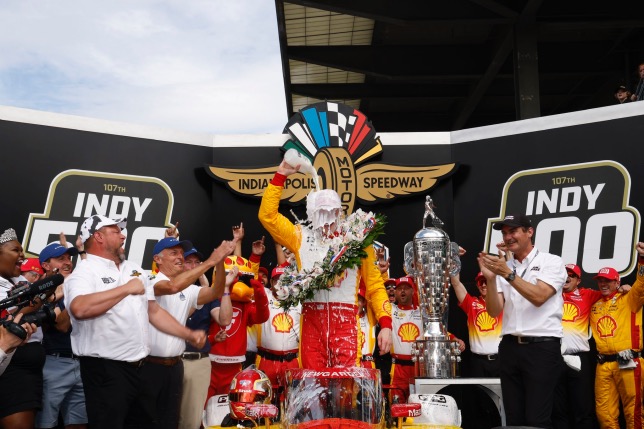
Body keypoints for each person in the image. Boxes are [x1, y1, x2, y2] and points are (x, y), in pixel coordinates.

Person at [63, 215, 207, 429]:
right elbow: (80, 308)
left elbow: (153, 311)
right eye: (115, 231)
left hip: (139, 368)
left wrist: (187, 334)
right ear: (99, 237)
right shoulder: (84, 272)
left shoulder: (133, 268)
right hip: (105, 371)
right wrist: (125, 289)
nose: (123, 235)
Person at [258, 158, 392, 369]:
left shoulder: (356, 242)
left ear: (340, 212)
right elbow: (268, 217)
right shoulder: (301, 237)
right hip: (312, 322)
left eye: (332, 213)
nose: (327, 220)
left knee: (346, 390)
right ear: (313, 214)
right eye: (322, 213)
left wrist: (386, 325)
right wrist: (280, 176)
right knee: (314, 389)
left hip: (346, 321)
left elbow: (375, 286)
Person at [130, 236, 236, 429]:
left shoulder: (189, 290)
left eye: (181, 253)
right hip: (148, 367)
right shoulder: (149, 279)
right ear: (157, 259)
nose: (180, 257)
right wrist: (212, 260)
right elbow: (172, 287)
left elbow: (215, 292)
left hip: (175, 367)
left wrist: (219, 263)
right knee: (145, 422)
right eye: (173, 253)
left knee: (170, 422)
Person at [478, 213, 567, 428]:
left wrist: (507, 274)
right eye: (505, 232)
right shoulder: (503, 268)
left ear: (529, 232)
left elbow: (539, 297)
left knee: (537, 419)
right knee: (513, 418)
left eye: (514, 231)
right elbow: (493, 310)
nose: (508, 237)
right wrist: (491, 280)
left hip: (542, 347)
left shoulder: (551, 261)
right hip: (509, 347)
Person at [178, 245, 233, 429]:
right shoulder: (169, 288)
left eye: (197, 262)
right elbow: (176, 317)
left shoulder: (205, 293)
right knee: (165, 414)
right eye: (188, 262)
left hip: (197, 362)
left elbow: (224, 319)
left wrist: (224, 288)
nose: (193, 266)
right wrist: (201, 295)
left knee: (192, 419)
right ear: (179, 264)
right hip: (170, 361)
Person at [590, 247, 644, 429]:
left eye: (608, 281)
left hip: (628, 361)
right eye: (600, 281)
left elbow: (641, 284)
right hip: (603, 365)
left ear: (616, 282)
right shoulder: (594, 304)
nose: (603, 284)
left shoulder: (629, 298)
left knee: (634, 411)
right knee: (604, 414)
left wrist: (642, 260)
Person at [35, 242, 88, 429]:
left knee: (79, 423)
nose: (67, 263)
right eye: (60, 259)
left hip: (82, 362)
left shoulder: (75, 288)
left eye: (69, 258)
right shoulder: (38, 293)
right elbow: (63, 325)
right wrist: (62, 293)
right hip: (53, 364)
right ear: (46, 265)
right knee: (45, 423)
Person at [0, 228, 47, 429]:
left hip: (19, 376)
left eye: (22, 250)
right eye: (15, 250)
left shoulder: (20, 282)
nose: (22, 256)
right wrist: (29, 304)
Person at [207, 253, 269, 398]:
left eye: (242, 279)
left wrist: (259, 292)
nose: (237, 283)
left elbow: (262, 316)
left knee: (228, 406)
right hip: (210, 362)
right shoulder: (211, 299)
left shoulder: (246, 304)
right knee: (203, 406)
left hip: (235, 365)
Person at [552, 263, 602, 429]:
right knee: (558, 408)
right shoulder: (549, 294)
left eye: (571, 275)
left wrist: (624, 288)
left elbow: (610, 293)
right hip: (554, 358)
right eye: (564, 274)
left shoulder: (587, 295)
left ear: (578, 280)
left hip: (579, 358)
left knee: (583, 408)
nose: (567, 277)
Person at [254, 266, 301, 389]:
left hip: (292, 361)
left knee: (293, 401)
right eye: (276, 280)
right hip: (266, 360)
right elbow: (252, 281)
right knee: (264, 401)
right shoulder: (266, 295)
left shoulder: (299, 299)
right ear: (271, 282)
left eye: (284, 280)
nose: (280, 284)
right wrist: (256, 256)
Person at [450, 271, 502, 377]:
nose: (483, 285)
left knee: (502, 393)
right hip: (478, 362)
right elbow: (456, 283)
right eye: (480, 282)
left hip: (500, 361)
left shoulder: (502, 302)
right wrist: (456, 257)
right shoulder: (471, 303)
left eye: (486, 281)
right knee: (478, 393)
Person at [389, 276, 423, 403]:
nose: (402, 291)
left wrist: (453, 338)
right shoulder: (391, 309)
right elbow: (375, 294)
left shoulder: (421, 311)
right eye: (399, 289)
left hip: (417, 367)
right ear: (395, 292)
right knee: (396, 404)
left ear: (413, 291)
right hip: (397, 367)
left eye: (406, 288)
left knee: (418, 405)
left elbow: (435, 328)